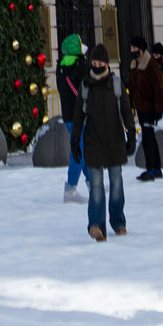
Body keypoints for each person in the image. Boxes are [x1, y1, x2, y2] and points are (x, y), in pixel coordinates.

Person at [70, 42, 136, 240]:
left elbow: (126, 110)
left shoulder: (116, 84)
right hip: (93, 141)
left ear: (107, 64)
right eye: (94, 62)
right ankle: (96, 225)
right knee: (96, 185)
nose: (96, 66)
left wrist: (131, 133)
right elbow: (78, 116)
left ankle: (118, 221)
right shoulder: (85, 85)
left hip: (114, 140)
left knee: (116, 183)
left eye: (100, 62)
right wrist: (74, 139)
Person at [56, 33, 90, 203]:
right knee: (79, 151)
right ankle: (70, 189)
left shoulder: (61, 67)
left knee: (81, 148)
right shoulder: (81, 66)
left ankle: (92, 183)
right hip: (81, 114)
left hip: (68, 114)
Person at [127, 35, 163, 180]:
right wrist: (130, 105)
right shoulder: (134, 66)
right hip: (140, 107)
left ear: (141, 50)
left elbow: (159, 88)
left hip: (150, 108)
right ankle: (156, 169)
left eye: (134, 48)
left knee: (147, 138)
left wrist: (159, 109)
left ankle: (150, 170)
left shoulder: (151, 66)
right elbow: (132, 87)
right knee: (150, 137)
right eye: (131, 48)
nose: (132, 50)